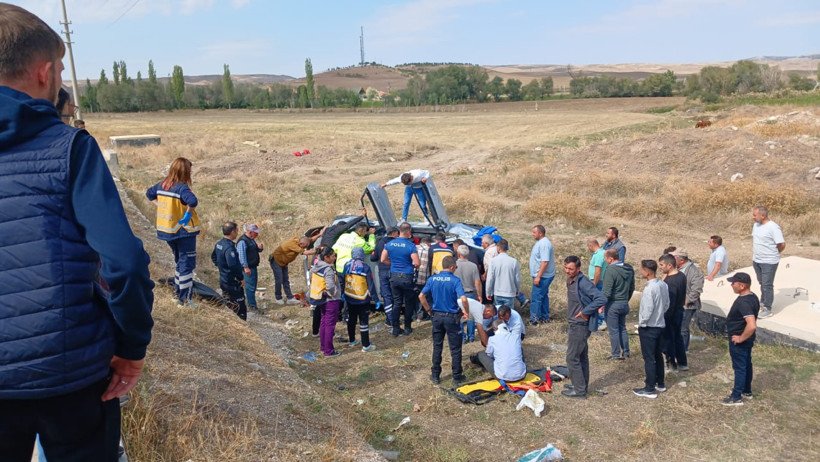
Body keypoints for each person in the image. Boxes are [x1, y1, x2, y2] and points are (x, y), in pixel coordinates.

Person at [0, 4, 154, 459]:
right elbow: (124, 263)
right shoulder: (70, 148)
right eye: (62, 68)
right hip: (72, 372)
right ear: (45, 73)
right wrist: (131, 347)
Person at [146, 157, 201, 307]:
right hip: (183, 231)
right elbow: (193, 201)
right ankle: (183, 300)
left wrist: (161, 206)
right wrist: (188, 214)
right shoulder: (182, 188)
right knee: (186, 265)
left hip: (167, 230)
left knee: (180, 262)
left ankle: (177, 294)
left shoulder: (162, 185)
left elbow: (149, 194)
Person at [419, 256, 469, 386]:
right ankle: (457, 377)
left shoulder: (432, 279)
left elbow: (421, 296)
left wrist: (428, 310)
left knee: (437, 346)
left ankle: (435, 375)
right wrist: (466, 311)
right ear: (452, 267)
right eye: (456, 267)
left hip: (437, 316)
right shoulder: (455, 280)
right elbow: (463, 299)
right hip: (451, 317)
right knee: (455, 348)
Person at [561, 256, 607, 399]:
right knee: (581, 356)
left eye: (571, 269)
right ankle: (579, 384)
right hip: (574, 323)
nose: (567, 271)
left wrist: (585, 312)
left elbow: (601, 298)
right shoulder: (570, 280)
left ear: (578, 269)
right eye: (566, 268)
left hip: (580, 325)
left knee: (572, 357)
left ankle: (580, 390)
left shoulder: (583, 282)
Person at [633, 260, 670, 399]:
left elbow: (647, 310)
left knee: (649, 358)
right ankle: (660, 383)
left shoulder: (649, 289)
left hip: (649, 328)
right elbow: (667, 304)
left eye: (641, 270)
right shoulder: (663, 284)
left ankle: (649, 388)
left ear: (647, 272)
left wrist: (641, 324)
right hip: (660, 324)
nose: (640, 272)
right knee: (658, 355)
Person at [722, 272, 760, 406]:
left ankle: (736, 396)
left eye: (734, 283)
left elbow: (751, 325)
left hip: (740, 340)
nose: (732, 285)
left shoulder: (744, 302)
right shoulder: (753, 297)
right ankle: (746, 390)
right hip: (747, 340)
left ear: (742, 285)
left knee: (739, 368)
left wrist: (740, 338)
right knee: (746, 364)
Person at [382, 222, 420, 336]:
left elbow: (383, 259)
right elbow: (417, 263)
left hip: (394, 276)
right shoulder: (410, 245)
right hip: (407, 276)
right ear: (408, 232)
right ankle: (407, 327)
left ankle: (395, 328)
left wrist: (392, 263)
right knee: (408, 303)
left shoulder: (390, 244)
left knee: (397, 303)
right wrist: (411, 265)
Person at [601, 249, 635, 360]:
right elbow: (632, 288)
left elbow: (607, 291)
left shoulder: (610, 270)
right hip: (624, 303)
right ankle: (626, 352)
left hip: (613, 304)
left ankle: (615, 354)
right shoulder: (629, 269)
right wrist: (626, 299)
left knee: (613, 330)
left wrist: (601, 305)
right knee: (622, 328)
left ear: (610, 259)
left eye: (605, 258)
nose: (605, 261)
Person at [751, 205, 785, 319]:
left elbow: (781, 244)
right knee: (762, 283)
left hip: (769, 261)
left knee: (767, 285)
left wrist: (774, 254)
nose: (753, 217)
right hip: (757, 260)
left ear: (763, 215)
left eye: (755, 215)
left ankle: (767, 308)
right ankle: (763, 300)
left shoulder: (773, 228)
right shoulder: (756, 225)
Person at [271, 233, 321, 304]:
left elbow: (311, 239)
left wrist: (320, 234)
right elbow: (305, 252)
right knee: (279, 279)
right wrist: (317, 251)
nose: (305, 247)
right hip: (276, 261)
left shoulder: (301, 241)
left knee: (285, 280)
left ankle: (289, 298)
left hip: (284, 262)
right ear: (300, 244)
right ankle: (278, 297)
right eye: (304, 246)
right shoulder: (293, 245)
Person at [309, 246, 342, 357]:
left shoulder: (316, 266)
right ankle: (328, 351)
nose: (335, 258)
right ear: (326, 257)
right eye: (333, 256)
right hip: (330, 300)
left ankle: (323, 347)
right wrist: (331, 294)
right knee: (330, 325)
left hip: (320, 299)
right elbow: (331, 286)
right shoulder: (328, 270)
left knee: (323, 322)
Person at [343, 247, 377, 352]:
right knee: (363, 322)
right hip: (362, 299)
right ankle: (366, 345)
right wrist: (376, 299)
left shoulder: (347, 265)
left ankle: (352, 340)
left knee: (351, 320)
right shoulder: (365, 267)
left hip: (350, 297)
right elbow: (370, 285)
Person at [211, 222, 247, 320]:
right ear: (232, 232)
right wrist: (241, 278)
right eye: (236, 231)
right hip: (232, 282)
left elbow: (213, 257)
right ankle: (241, 325)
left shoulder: (219, 244)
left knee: (227, 302)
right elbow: (233, 265)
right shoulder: (229, 247)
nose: (237, 233)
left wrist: (222, 267)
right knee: (239, 307)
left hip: (223, 279)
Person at [658, 254, 688, 372]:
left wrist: (664, 317)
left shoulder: (670, 283)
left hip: (671, 314)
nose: (660, 267)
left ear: (669, 265)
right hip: (679, 311)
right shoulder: (681, 276)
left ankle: (671, 364)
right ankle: (682, 363)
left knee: (668, 339)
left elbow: (670, 303)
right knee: (677, 337)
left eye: (661, 265)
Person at [673, 249, 704, 353]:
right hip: (675, 304)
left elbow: (696, 290)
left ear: (681, 260)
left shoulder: (695, 272)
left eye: (674, 258)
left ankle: (683, 350)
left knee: (683, 328)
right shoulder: (676, 269)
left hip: (687, 306)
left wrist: (686, 301)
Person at [529, 225, 556, 325]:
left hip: (543, 276)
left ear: (540, 233)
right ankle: (544, 316)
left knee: (536, 297)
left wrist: (538, 276)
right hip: (543, 275)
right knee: (543, 296)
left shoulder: (544, 244)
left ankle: (534, 319)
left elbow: (545, 262)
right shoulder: (541, 243)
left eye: (534, 232)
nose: (533, 234)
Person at [455, 244, 482, 342]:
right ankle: (471, 336)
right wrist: (479, 295)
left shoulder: (454, 265)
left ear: (458, 254)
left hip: (458, 294)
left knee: (459, 316)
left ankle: (462, 337)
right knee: (470, 315)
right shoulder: (473, 266)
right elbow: (477, 282)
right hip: (470, 293)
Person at [485, 239, 521, 310]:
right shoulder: (514, 261)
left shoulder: (493, 261)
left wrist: (488, 292)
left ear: (498, 248)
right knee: (509, 313)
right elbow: (517, 278)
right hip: (509, 292)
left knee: (498, 313)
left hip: (497, 292)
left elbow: (490, 278)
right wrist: (518, 289)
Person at [372, 226, 399, 316]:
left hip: (383, 271)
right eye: (397, 233)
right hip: (394, 271)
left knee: (386, 295)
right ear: (393, 233)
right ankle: (395, 318)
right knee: (395, 295)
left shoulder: (380, 242)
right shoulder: (397, 243)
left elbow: (373, 258)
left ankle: (389, 319)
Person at [237, 224, 263, 312]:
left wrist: (259, 249)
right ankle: (252, 306)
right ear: (251, 232)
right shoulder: (243, 241)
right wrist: (245, 267)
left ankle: (252, 305)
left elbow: (252, 250)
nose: (257, 235)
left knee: (253, 286)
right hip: (248, 268)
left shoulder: (250, 240)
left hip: (253, 266)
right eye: (256, 233)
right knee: (250, 287)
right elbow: (241, 256)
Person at [587, 237, 607, 329]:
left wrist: (594, 283)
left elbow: (598, 271)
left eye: (588, 246)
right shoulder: (603, 253)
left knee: (598, 302)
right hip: (600, 282)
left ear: (591, 246)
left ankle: (601, 322)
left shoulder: (599, 255)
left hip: (598, 282)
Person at [414, 236, 432, 321]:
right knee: (424, 296)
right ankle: (425, 314)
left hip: (414, 276)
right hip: (424, 277)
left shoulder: (414, 247)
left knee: (416, 297)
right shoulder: (429, 249)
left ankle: (417, 316)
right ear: (428, 243)